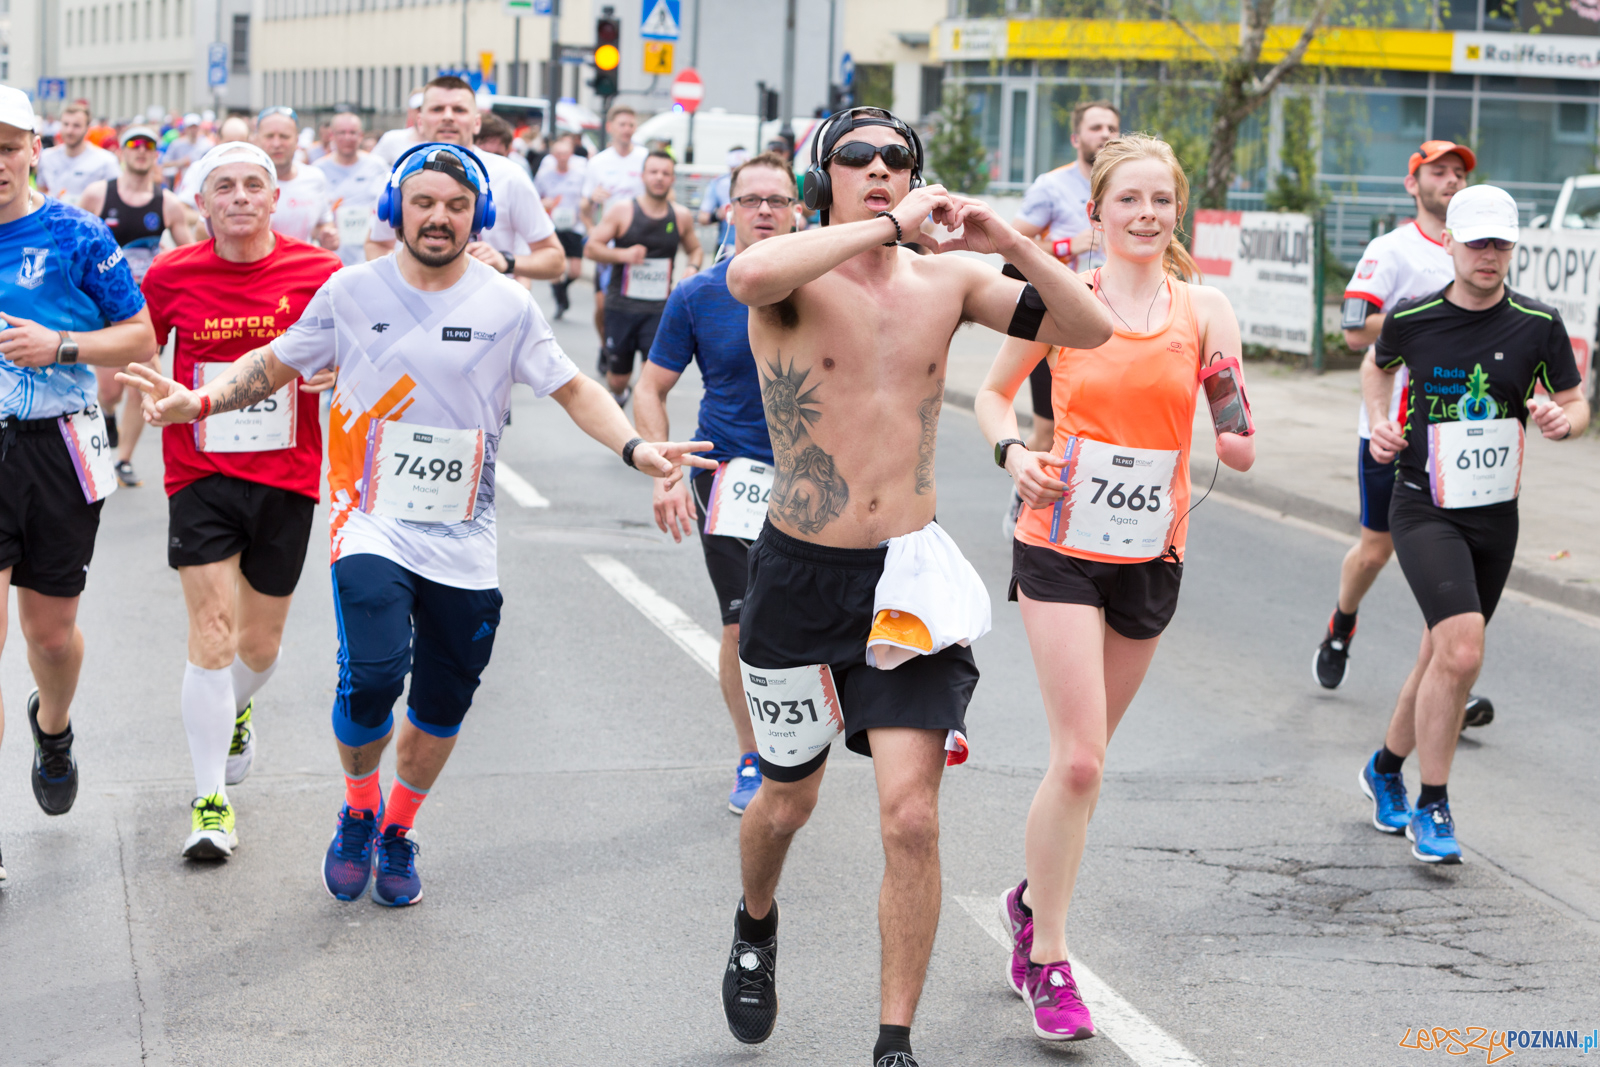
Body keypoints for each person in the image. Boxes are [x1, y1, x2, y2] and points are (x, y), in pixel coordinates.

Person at [122, 142, 715, 906]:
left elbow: (570, 389)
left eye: (457, 206)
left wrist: (635, 447)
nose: (440, 217)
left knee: (442, 703)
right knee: (370, 676)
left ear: (480, 217)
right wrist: (198, 402)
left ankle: (398, 827)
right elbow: (276, 362)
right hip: (367, 520)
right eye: (426, 202)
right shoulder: (351, 290)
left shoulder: (506, 304)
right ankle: (359, 806)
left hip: (465, 540)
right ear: (397, 208)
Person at [719, 106, 1110, 1067]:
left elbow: (1090, 326)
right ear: (827, 180)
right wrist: (889, 227)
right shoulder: (793, 278)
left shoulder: (952, 281)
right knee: (786, 801)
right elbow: (747, 273)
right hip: (799, 579)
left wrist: (1007, 238)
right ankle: (756, 919)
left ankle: (894, 1041)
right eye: (859, 158)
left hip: (905, 582)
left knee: (912, 814)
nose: (883, 170)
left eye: (900, 160)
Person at [976, 133, 1255, 1043]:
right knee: (1083, 756)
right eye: (1127, 199)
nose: (1145, 214)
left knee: (1083, 769)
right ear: (1093, 211)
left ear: (1178, 213)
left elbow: (1238, 437)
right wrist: (1015, 451)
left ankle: (1028, 893)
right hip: (1057, 538)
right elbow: (991, 397)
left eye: (1161, 200)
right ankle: (1048, 957)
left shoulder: (1205, 308)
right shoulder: (1064, 299)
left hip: (1152, 546)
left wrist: (1230, 408)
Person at [1358, 185, 1587, 865]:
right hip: (1424, 503)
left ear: (1514, 248)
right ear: (1451, 242)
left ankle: (1383, 767)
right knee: (1460, 652)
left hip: (1495, 514)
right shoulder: (1414, 317)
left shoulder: (1537, 324)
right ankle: (1433, 803)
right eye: (1477, 241)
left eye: (1501, 243)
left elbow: (1576, 405)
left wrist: (1559, 421)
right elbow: (1377, 368)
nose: (1489, 254)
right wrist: (1379, 421)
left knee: (1440, 657)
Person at [128, 141, 344, 860]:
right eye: (226, 186)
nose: (242, 196)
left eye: (255, 184)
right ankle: (210, 801)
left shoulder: (320, 272)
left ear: (276, 198)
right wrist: (133, 401)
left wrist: (336, 371)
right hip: (199, 472)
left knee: (259, 645)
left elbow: (359, 354)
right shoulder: (170, 274)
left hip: (288, 473)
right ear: (204, 202)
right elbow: (139, 350)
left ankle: (237, 708)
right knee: (212, 631)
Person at [0, 86, 157, 871]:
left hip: (57, 445)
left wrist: (61, 345)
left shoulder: (74, 231)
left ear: (35, 149)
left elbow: (142, 336)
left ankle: (53, 728)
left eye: (6, 146)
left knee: (49, 635)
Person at [635, 152, 795, 815]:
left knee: (808, 625)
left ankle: (803, 732)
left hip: (819, 484)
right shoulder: (700, 294)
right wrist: (668, 469)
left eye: (777, 200)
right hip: (731, 477)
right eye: (750, 199)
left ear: (798, 211)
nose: (764, 210)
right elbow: (651, 386)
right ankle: (755, 752)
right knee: (742, 626)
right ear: (729, 210)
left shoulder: (836, 285)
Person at [1316, 141, 1492, 732]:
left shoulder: (1483, 253)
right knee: (1376, 550)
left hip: (1464, 442)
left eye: (1459, 173)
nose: (1450, 180)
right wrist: (1427, 323)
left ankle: (1450, 675)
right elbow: (1350, 331)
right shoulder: (1391, 250)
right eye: (1437, 172)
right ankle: (1342, 622)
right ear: (1411, 185)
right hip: (1394, 434)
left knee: (1451, 557)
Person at [1001, 100, 1122, 539]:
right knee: (1049, 428)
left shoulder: (1126, 186)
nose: (1105, 133)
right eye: (1095, 127)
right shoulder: (1052, 186)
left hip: (1114, 324)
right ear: (1077, 138)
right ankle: (1025, 488)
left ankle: (1092, 513)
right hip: (1056, 326)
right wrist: (1071, 244)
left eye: (1112, 126)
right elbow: (1015, 241)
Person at [79, 124, 196, 488]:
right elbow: (73, 244)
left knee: (138, 386)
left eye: (148, 146)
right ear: (122, 152)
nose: (141, 152)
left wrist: (169, 258)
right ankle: (107, 415)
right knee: (110, 390)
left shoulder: (167, 202)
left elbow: (188, 255)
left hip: (145, 310)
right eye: (134, 145)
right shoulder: (99, 194)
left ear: (156, 154)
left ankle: (124, 459)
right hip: (102, 309)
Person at [364, 76, 564, 285]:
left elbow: (555, 260)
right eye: (437, 109)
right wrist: (399, 288)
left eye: (459, 110)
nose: (448, 117)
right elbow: (377, 243)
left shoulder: (510, 175)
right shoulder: (398, 177)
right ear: (420, 122)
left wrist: (506, 261)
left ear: (477, 123)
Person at [585, 151, 703, 404]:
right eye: (654, 172)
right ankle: (620, 394)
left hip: (659, 310)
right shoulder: (623, 210)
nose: (659, 178)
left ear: (672, 178)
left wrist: (692, 268)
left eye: (665, 173)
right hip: (621, 307)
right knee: (617, 379)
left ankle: (647, 432)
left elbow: (695, 248)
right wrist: (624, 254)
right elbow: (592, 248)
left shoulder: (680, 215)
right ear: (643, 176)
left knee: (654, 382)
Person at [581, 106, 649, 351]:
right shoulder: (598, 163)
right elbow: (583, 208)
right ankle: (606, 345)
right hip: (608, 242)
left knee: (637, 302)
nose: (627, 130)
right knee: (602, 305)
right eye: (623, 124)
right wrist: (591, 220)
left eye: (631, 125)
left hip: (640, 239)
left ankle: (624, 348)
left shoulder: (645, 158)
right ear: (610, 127)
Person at [315, 110, 391, 269]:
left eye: (352, 132)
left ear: (361, 135)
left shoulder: (378, 166)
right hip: (333, 257)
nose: (347, 138)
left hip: (370, 256)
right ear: (332, 135)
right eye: (342, 132)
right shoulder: (318, 170)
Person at [256, 107, 339, 251]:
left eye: (284, 136)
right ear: (257, 140)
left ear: (297, 140)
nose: (277, 144)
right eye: (269, 136)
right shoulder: (242, 184)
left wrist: (327, 234)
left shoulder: (314, 177)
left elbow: (324, 223)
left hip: (303, 268)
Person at [534, 131, 588, 319]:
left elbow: (587, 198)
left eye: (566, 154)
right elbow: (534, 198)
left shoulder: (580, 174)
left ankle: (562, 289)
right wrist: (544, 203)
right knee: (556, 266)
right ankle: (560, 302)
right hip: (552, 225)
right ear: (553, 155)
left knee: (575, 270)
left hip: (574, 226)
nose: (562, 158)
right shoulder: (545, 175)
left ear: (571, 154)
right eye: (558, 154)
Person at [35, 102, 122, 206]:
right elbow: (41, 189)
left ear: (87, 128)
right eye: (65, 124)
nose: (69, 131)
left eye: (76, 126)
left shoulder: (106, 160)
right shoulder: (46, 157)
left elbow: (117, 196)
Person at [698, 146, 747, 258]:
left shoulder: (758, 183)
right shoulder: (719, 184)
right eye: (735, 168)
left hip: (752, 246)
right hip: (726, 246)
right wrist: (717, 215)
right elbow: (702, 217)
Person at [476, 113, 534, 182]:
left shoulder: (517, 172)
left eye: (497, 156)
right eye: (485, 154)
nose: (491, 160)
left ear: (508, 151)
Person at [373, 90, 425, 165]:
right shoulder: (391, 138)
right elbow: (372, 168)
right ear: (410, 111)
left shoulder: (443, 141)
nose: (421, 113)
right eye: (419, 109)